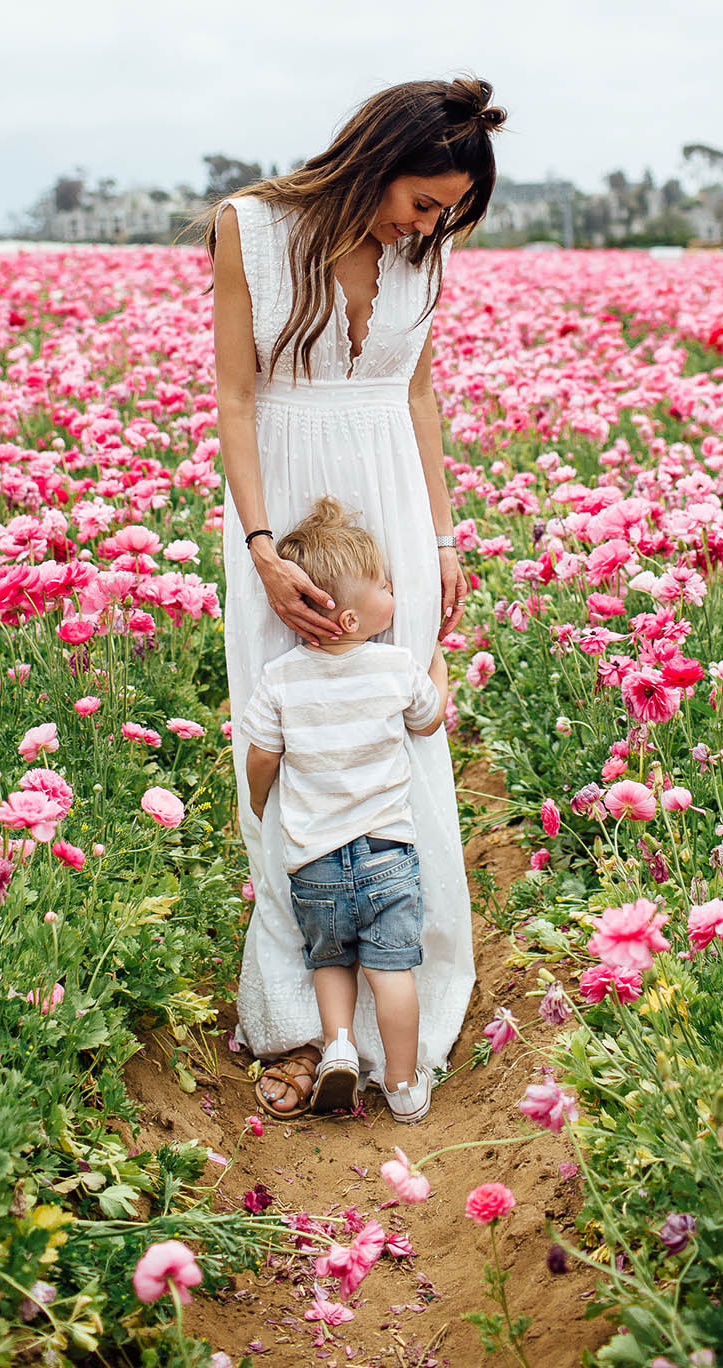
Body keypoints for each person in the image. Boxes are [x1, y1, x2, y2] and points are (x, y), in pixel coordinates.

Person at [209, 75, 505, 1117]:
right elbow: (235, 396)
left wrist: (438, 534)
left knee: (399, 732)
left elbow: (418, 387)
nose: (428, 226)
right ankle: (298, 1014)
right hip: (285, 492)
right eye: (422, 202)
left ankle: (406, 997)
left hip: (390, 486)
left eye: (445, 215)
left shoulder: (429, 252)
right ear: (376, 157)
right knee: (290, 736)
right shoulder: (250, 227)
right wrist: (259, 547)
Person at [241, 498, 450, 1122]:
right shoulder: (396, 665)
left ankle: (336, 1046)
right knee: (392, 970)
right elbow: (430, 718)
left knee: (331, 960)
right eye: (386, 584)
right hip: (387, 851)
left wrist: (258, 801)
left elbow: (260, 757)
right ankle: (406, 1087)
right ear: (356, 615)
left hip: (315, 859)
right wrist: (439, 666)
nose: (395, 589)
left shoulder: (280, 679)